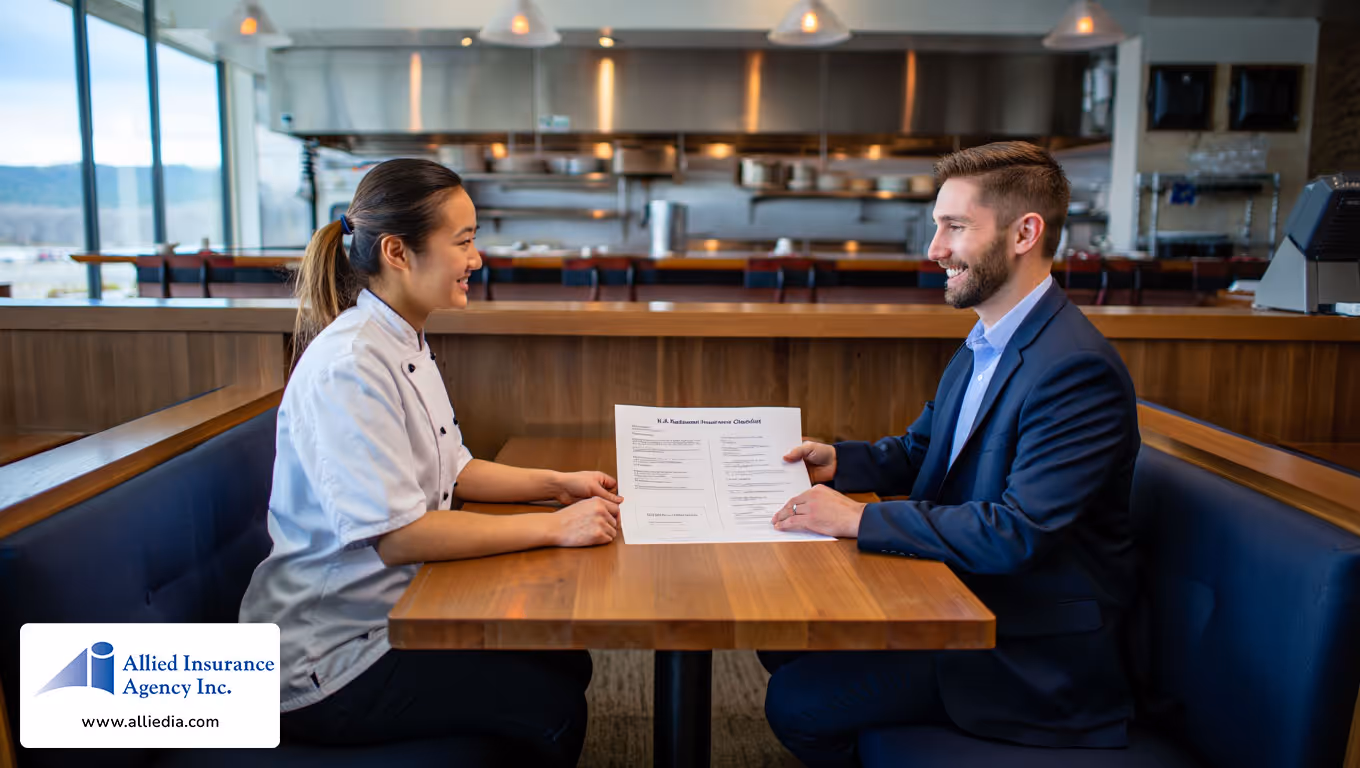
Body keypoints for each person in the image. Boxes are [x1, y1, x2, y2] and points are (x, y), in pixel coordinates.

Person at [765, 142, 1140, 767]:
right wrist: (837, 463)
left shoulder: (1075, 368)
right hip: (958, 598)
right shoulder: (988, 339)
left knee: (795, 702)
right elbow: (921, 451)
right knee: (783, 642)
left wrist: (858, 520)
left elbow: (1020, 531)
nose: (934, 249)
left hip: (1026, 647)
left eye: (954, 227)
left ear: (1025, 233)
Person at [239, 158, 621, 766]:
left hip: (402, 609)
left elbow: (456, 468)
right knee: (550, 708)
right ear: (397, 251)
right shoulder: (351, 365)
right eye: (463, 241)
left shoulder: (401, 336)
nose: (476, 257)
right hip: (332, 656)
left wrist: (559, 484)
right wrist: (554, 526)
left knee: (563, 654)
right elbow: (398, 535)